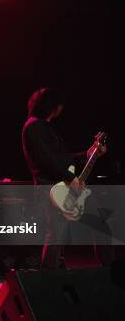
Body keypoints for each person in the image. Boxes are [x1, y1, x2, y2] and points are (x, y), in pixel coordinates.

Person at [22, 87, 111, 269]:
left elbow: (63, 159)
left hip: (68, 187)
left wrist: (90, 153)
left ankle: (111, 271)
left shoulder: (44, 128)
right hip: (53, 190)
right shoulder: (33, 127)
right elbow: (47, 160)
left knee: (100, 225)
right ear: (53, 106)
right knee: (56, 236)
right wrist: (71, 177)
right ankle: (48, 282)